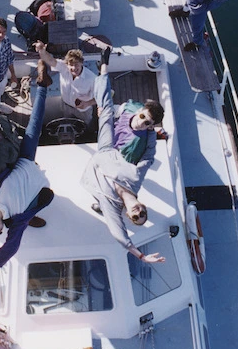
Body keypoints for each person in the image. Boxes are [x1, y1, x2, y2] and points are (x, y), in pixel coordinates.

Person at [0, 61, 55, 274]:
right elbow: (12, 245)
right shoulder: (14, 222)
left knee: (35, 123)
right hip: (36, 190)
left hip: (23, 161)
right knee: (25, 218)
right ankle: (30, 215)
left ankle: (42, 84)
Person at [81, 52, 166, 263]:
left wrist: (141, 256)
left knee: (107, 111)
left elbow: (119, 235)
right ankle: (103, 67)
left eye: (135, 218)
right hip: (110, 151)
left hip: (98, 166)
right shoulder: (136, 178)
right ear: (144, 206)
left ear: (128, 215)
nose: (138, 213)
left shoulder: (111, 205)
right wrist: (151, 134)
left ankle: (102, 70)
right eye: (142, 213)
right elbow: (148, 157)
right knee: (107, 109)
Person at [34, 42, 96, 125]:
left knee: (85, 125)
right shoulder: (63, 67)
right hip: (66, 105)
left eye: (76, 64)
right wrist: (41, 50)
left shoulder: (92, 78)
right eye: (71, 65)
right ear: (67, 64)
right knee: (67, 122)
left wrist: (87, 103)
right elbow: (50, 60)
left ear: (82, 63)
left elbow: (103, 95)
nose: (74, 68)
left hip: (83, 110)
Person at [113, 98, 165, 189]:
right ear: (139, 110)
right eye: (142, 116)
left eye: (147, 123)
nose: (141, 123)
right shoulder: (130, 107)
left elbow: (122, 163)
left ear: (151, 127)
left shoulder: (135, 147)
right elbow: (118, 108)